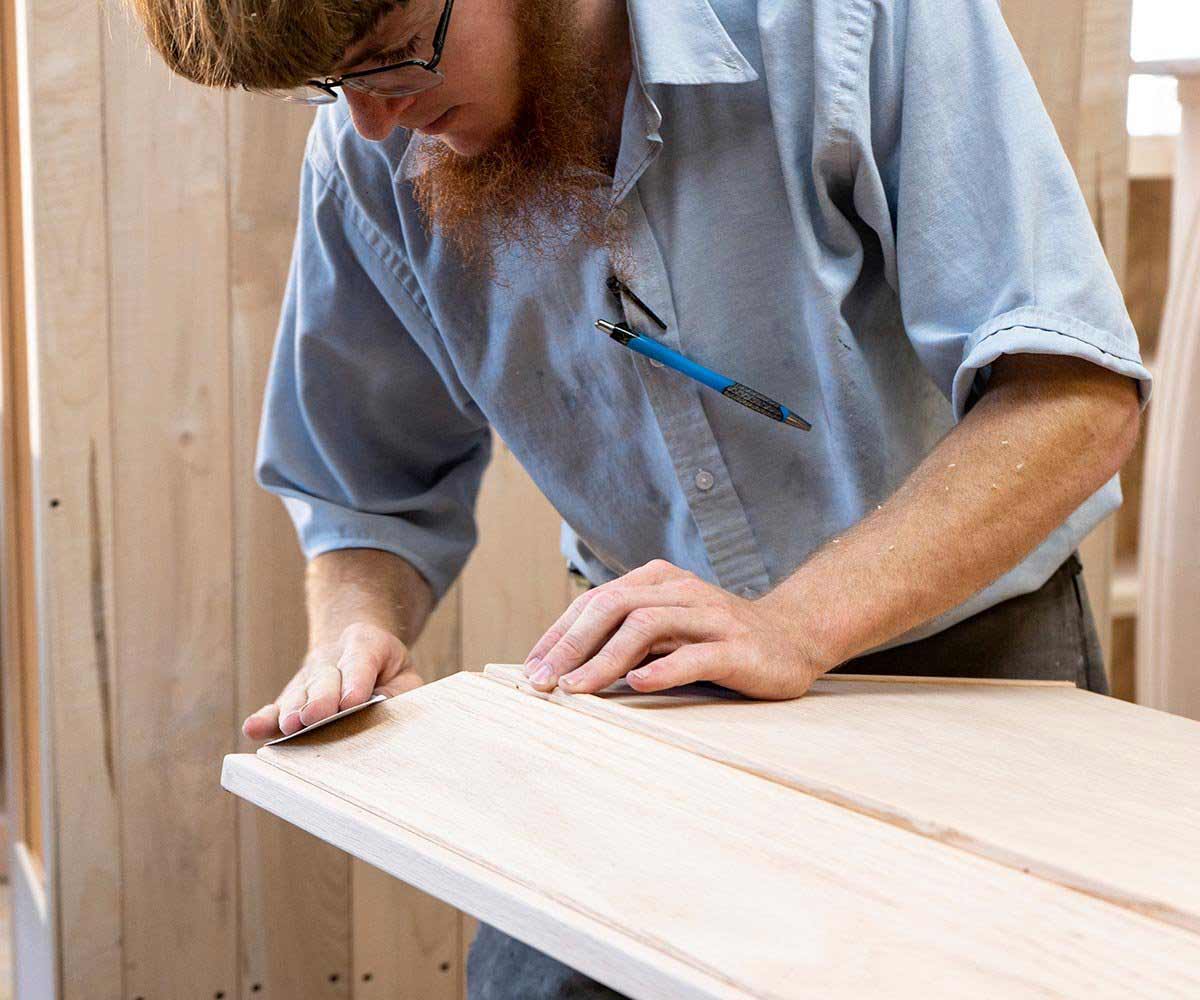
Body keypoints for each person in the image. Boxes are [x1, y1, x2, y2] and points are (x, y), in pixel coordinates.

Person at [129, 0, 1148, 995]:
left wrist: (793, 623)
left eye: (394, 56)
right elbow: (365, 497)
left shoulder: (844, 17)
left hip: (965, 667)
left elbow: (1072, 398)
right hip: (655, 688)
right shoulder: (369, 151)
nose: (373, 119)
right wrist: (351, 629)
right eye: (334, 85)